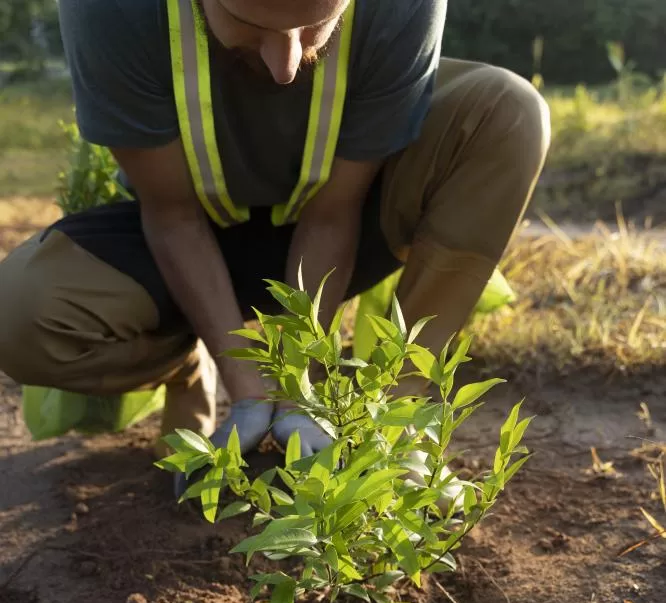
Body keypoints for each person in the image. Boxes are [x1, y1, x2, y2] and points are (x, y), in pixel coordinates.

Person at [0, 0, 550, 464]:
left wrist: (298, 392)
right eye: (254, 27)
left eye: (315, 24)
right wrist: (247, 390)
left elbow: (334, 212)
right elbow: (172, 215)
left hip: (343, 221)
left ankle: (384, 428)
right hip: (186, 229)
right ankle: (187, 358)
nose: (288, 65)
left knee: (511, 111)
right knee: (17, 318)